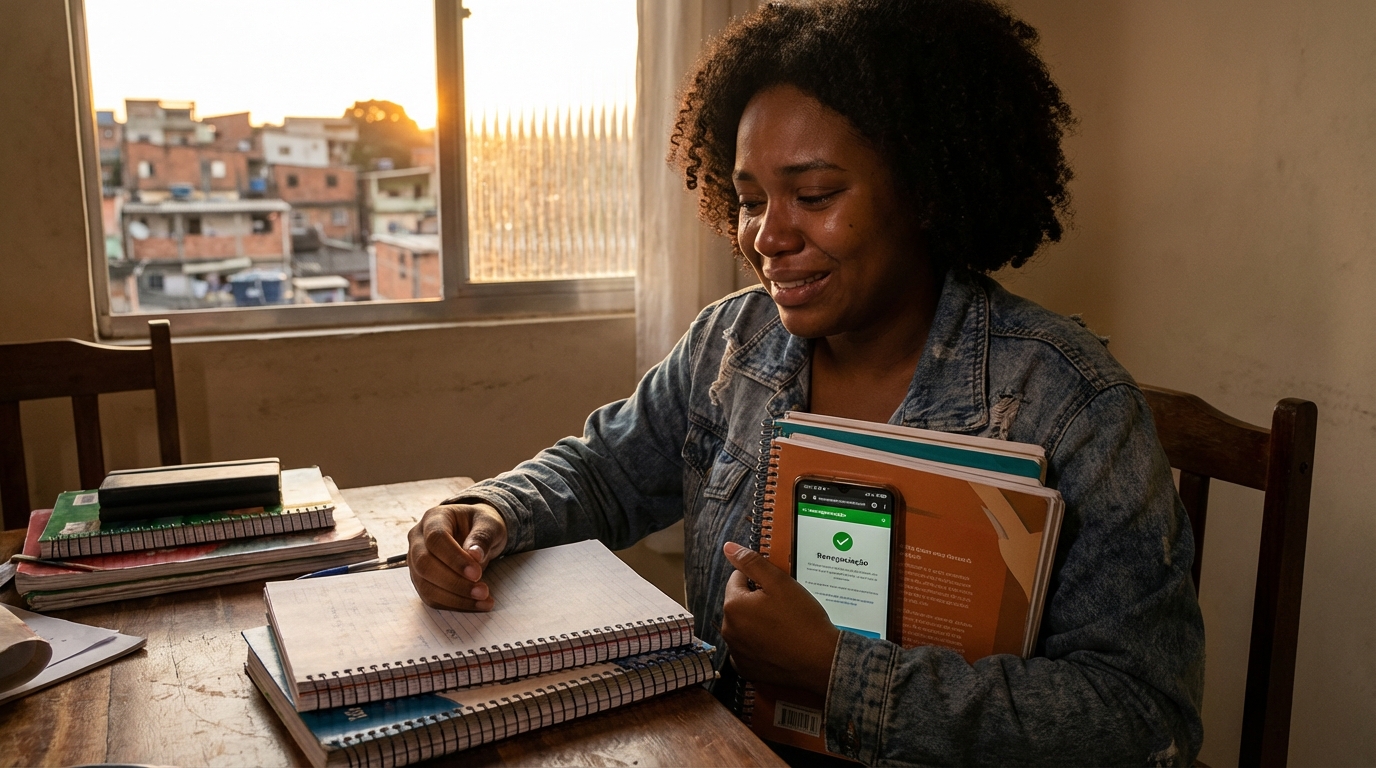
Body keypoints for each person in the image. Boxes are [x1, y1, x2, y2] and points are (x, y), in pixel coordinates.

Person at [407, 0, 1205, 764]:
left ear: (926, 189)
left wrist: (838, 673)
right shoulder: (731, 343)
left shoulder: (1072, 406)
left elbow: (1145, 718)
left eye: (815, 196)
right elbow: (603, 470)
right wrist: (492, 510)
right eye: (750, 200)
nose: (767, 236)